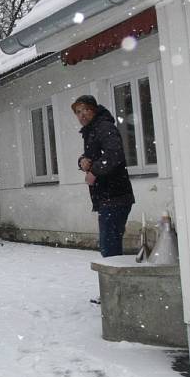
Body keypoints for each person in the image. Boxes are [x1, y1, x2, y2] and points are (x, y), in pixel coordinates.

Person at [72, 95, 135, 257]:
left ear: (94, 110)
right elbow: (94, 157)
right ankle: (115, 281)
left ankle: (115, 282)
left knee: (110, 250)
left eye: (86, 109)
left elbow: (114, 154)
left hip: (115, 196)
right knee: (109, 247)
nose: (82, 115)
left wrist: (94, 172)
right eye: (78, 112)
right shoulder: (92, 130)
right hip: (107, 197)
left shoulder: (104, 127)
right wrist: (82, 161)